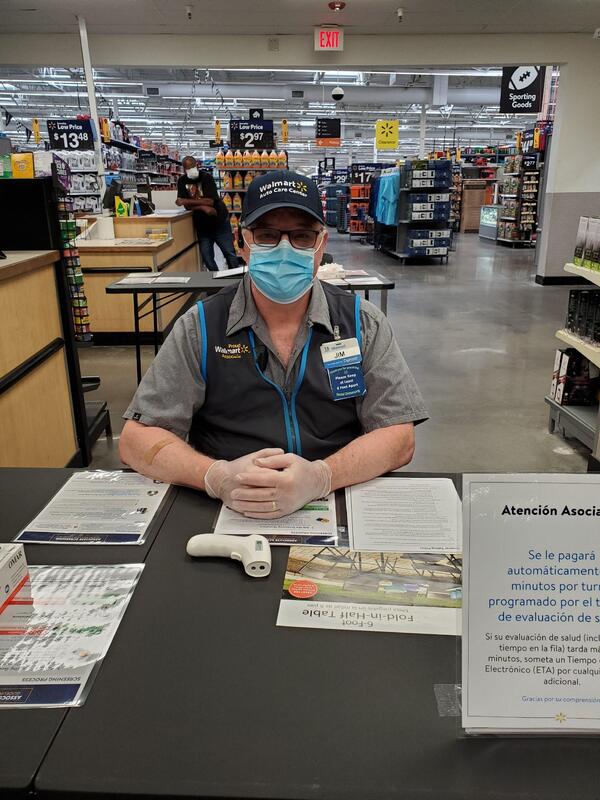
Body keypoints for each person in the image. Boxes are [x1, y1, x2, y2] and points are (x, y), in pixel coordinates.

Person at [120, 170, 428, 519]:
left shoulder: (362, 322)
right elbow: (137, 439)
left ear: (321, 246)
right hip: (226, 510)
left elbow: (398, 436)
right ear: (242, 243)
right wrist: (215, 476)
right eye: (266, 235)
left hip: (338, 501)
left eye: (301, 237)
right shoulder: (201, 327)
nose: (284, 249)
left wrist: (322, 476)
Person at [176, 155, 238, 271]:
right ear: (184, 169)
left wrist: (188, 201)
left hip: (219, 222)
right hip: (202, 227)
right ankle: (216, 283)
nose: (190, 170)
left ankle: (236, 279)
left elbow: (209, 201)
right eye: (187, 168)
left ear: (197, 165)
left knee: (229, 253)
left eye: (192, 167)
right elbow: (184, 205)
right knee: (207, 258)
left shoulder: (206, 177)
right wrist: (203, 207)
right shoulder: (182, 181)